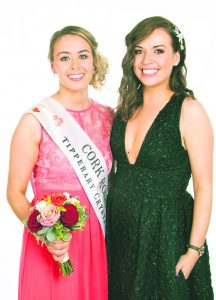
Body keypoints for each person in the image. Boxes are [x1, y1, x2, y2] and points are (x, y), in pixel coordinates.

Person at [106, 16, 214, 299]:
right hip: (120, 235)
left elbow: (204, 187)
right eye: (139, 51)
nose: (146, 60)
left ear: (176, 57)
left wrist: (193, 251)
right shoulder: (126, 106)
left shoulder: (189, 110)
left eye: (158, 50)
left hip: (165, 238)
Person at [7, 25, 114, 300]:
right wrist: (47, 233)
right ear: (53, 64)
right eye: (65, 57)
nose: (75, 65)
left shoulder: (109, 118)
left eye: (83, 55)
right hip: (52, 241)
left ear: (93, 60)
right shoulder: (34, 120)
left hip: (96, 238)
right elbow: (15, 192)